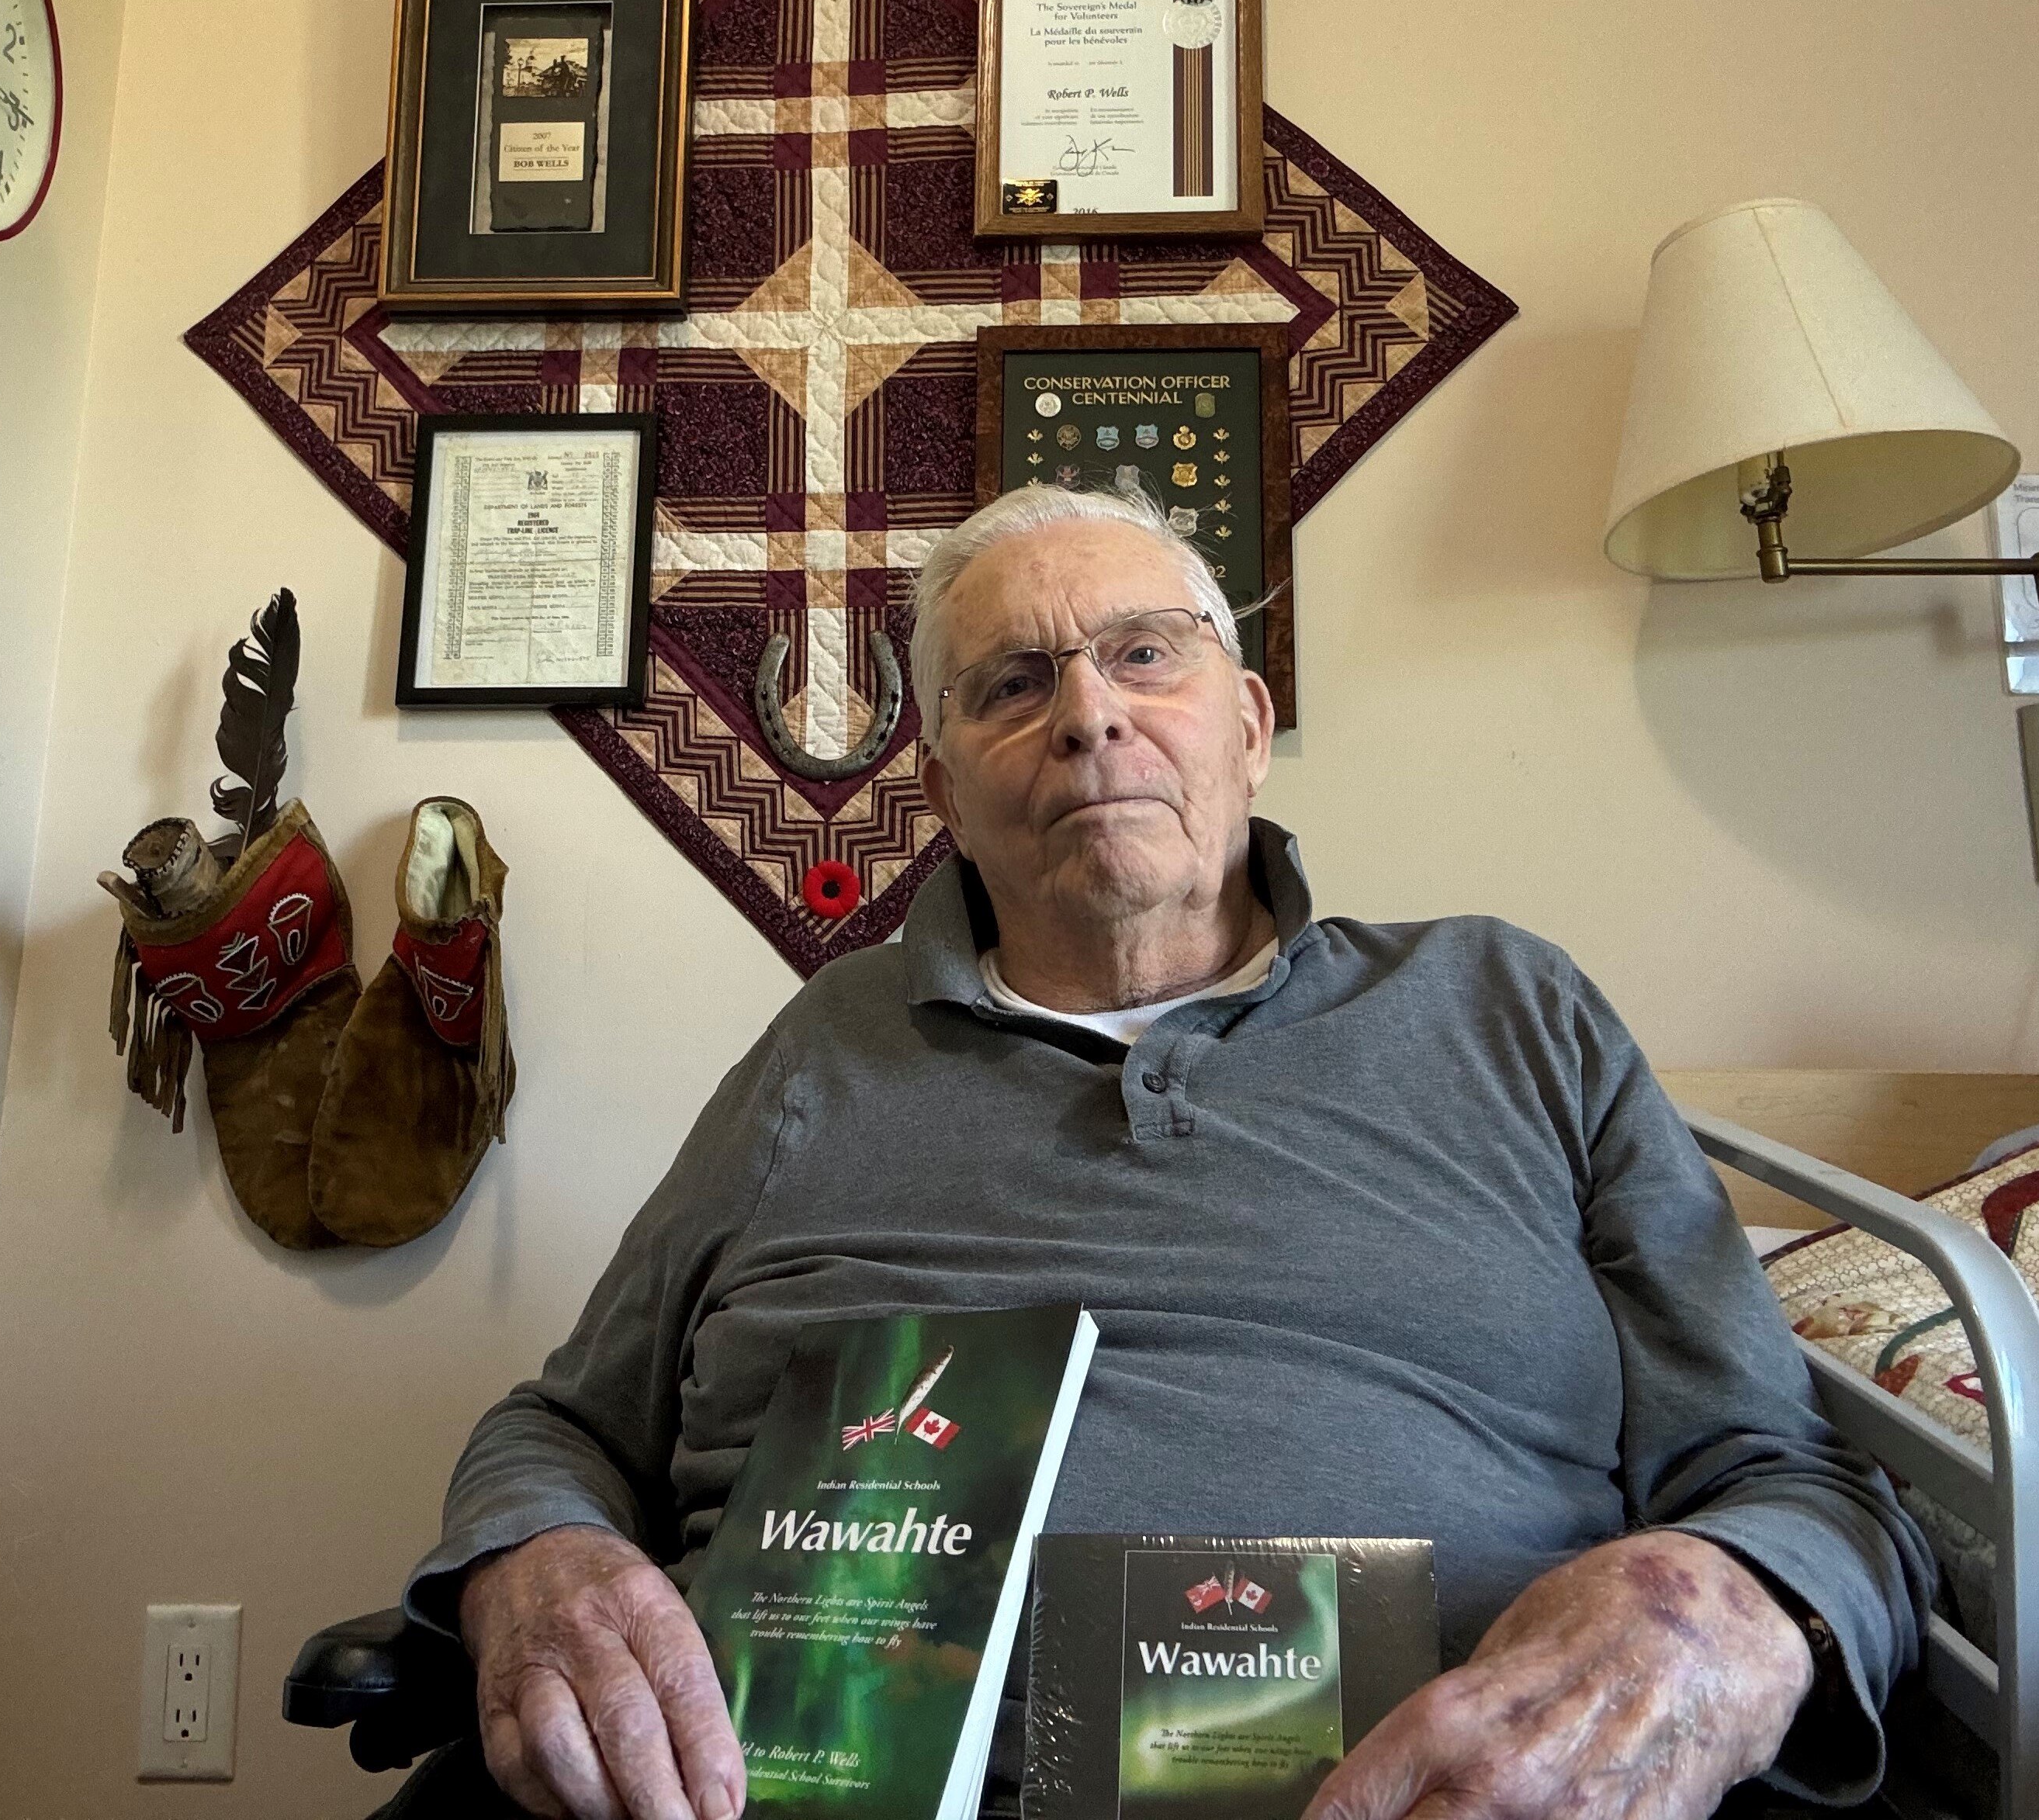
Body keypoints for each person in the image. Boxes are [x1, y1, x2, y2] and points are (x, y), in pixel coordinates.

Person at [394, 484, 1936, 1820]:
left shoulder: (1504, 1007)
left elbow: (1785, 1473)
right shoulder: (829, 1044)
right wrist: (537, 1562)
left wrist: (1716, 1619)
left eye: (1146, 651)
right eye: (1012, 682)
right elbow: (564, 1427)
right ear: (943, 794)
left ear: (1251, 723)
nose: (1087, 712)